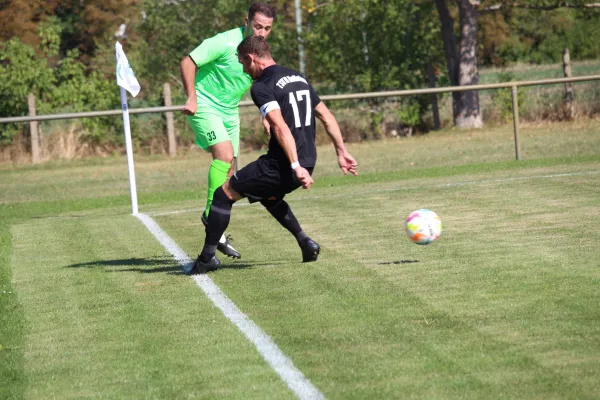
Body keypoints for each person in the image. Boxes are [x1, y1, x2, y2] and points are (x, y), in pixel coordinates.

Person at [186, 36, 358, 274]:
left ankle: (207, 259)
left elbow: (279, 126)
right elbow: (327, 116)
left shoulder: (262, 86)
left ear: (251, 58)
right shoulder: (298, 78)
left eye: (243, 64)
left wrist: (294, 165)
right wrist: (342, 152)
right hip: (309, 162)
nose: (244, 70)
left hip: (283, 164)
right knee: (269, 196)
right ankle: (306, 243)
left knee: (222, 195)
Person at [180, 2, 275, 260]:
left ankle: (213, 220)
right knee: (222, 156)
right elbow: (188, 62)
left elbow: (266, 81)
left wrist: (267, 116)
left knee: (230, 171)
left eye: (267, 28)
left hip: (229, 111)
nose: (262, 33)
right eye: (257, 26)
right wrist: (191, 97)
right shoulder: (224, 42)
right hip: (205, 103)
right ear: (246, 22)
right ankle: (213, 220)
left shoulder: (261, 52)